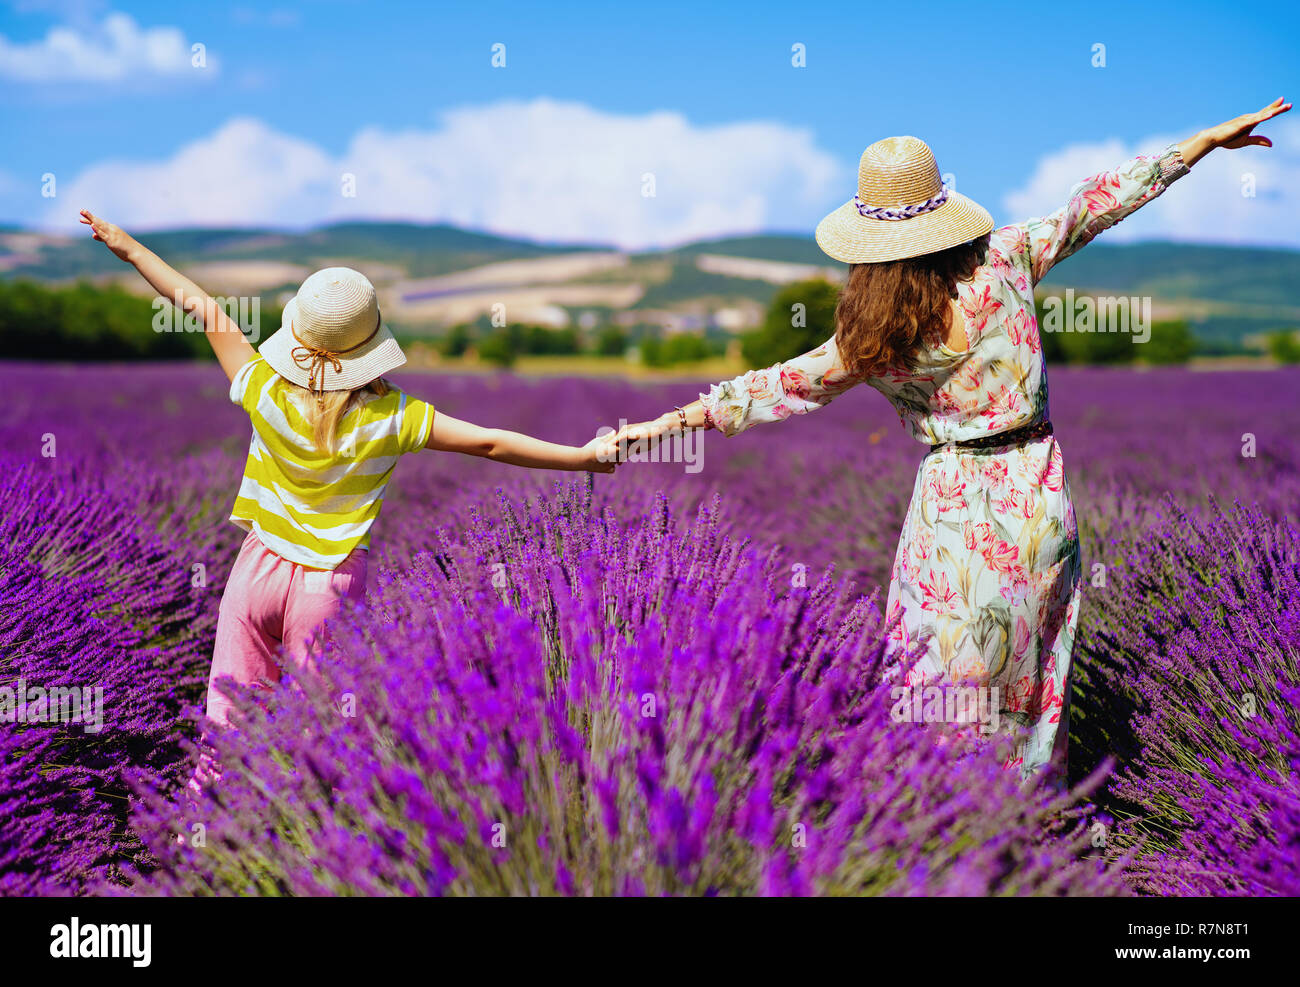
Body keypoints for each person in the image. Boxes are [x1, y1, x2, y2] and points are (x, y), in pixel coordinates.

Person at [605, 98, 1290, 779]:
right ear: (940, 207)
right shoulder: (1008, 259)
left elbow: (767, 388)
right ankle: (1033, 823)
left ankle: (943, 824)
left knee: (935, 687)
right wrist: (1197, 145)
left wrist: (652, 432)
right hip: (1035, 498)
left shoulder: (869, 337)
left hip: (951, 509)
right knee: (1031, 675)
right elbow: (1097, 203)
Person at [79, 211, 614, 788]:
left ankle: (199, 833)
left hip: (255, 572)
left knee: (228, 721)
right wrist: (583, 457)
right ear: (370, 346)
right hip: (327, 586)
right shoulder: (393, 417)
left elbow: (203, 307)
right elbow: (490, 443)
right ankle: (308, 849)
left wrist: (130, 248)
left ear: (298, 340)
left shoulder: (261, 386)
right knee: (320, 734)